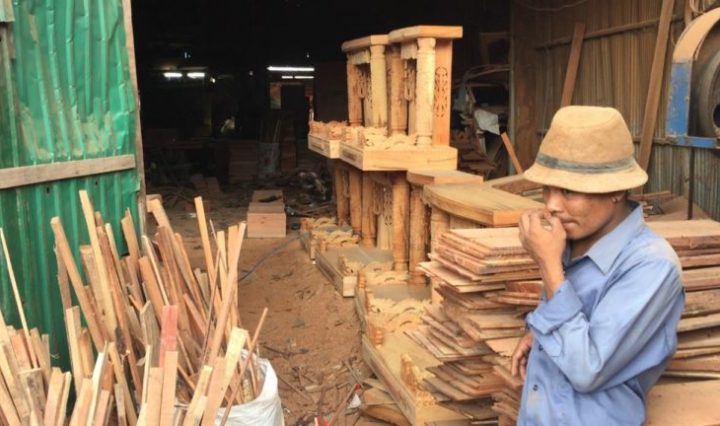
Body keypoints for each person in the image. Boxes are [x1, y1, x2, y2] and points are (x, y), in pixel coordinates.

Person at [511, 106, 685, 425]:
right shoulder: (572, 240)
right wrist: (540, 334)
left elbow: (588, 369)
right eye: (547, 188)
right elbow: (575, 321)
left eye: (568, 191)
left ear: (615, 190)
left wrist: (549, 266)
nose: (551, 205)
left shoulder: (652, 265)